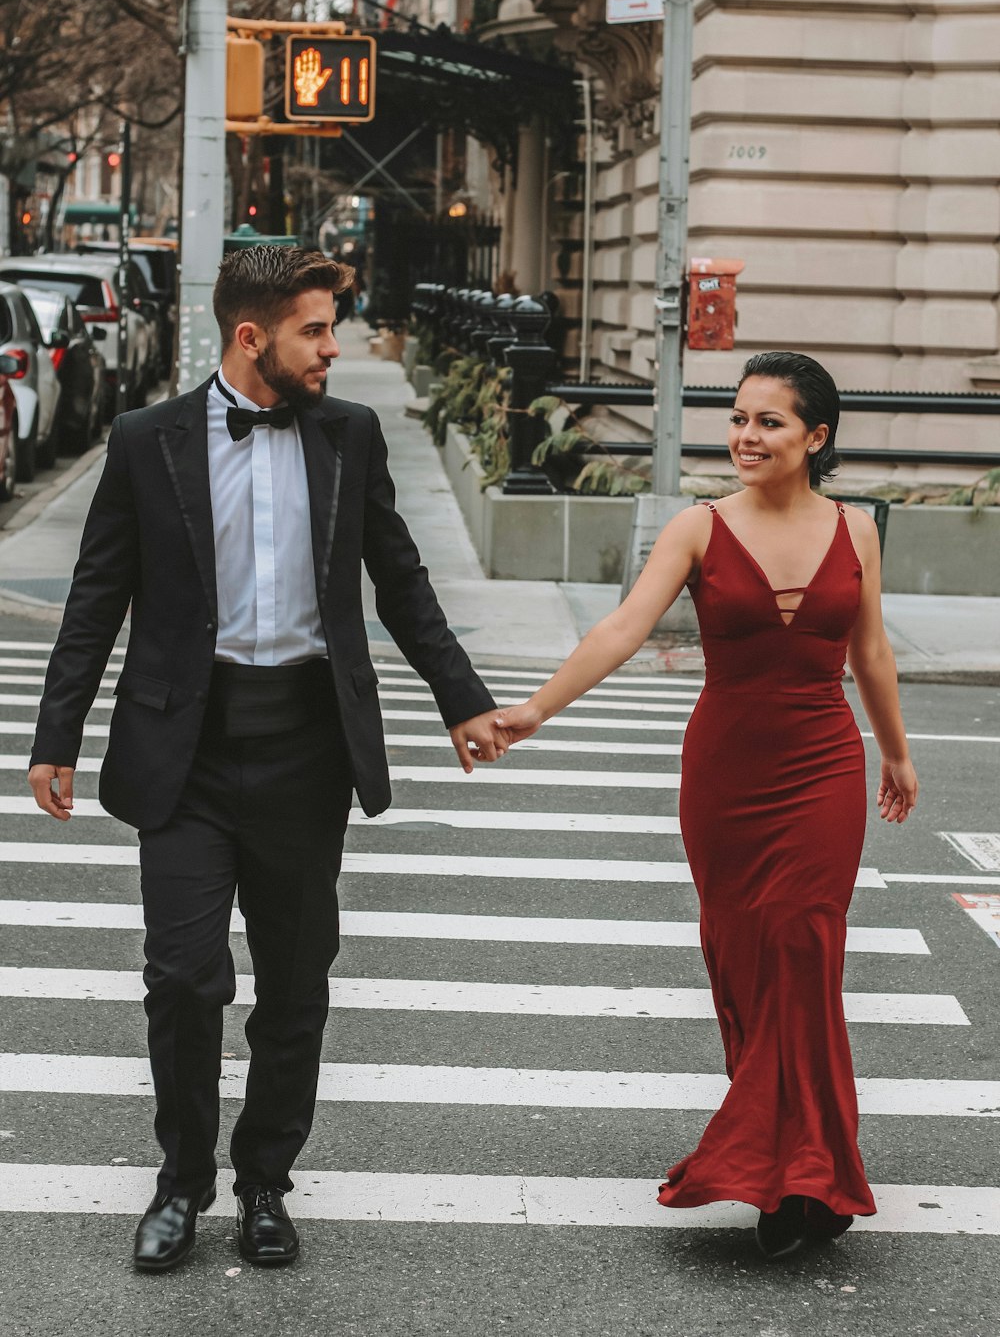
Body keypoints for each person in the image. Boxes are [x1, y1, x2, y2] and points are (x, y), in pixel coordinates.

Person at [27, 246, 507, 1272]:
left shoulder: (348, 434)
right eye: (317, 330)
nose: (337, 347)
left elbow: (401, 578)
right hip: (185, 752)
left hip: (304, 747)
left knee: (295, 984)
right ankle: (180, 1183)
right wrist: (54, 734)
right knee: (183, 979)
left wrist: (461, 698)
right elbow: (95, 598)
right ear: (254, 338)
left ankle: (263, 1182)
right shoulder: (145, 440)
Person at [493, 351, 918, 1260]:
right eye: (738, 418)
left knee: (805, 950)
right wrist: (535, 708)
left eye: (768, 421)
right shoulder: (697, 526)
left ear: (817, 437)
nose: (745, 437)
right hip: (727, 775)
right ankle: (786, 1162)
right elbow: (620, 626)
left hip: (823, 766)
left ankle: (803, 1176)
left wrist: (895, 750)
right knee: (744, 963)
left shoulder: (858, 530)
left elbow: (870, 655)